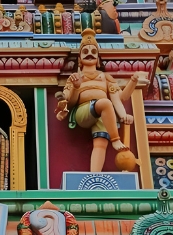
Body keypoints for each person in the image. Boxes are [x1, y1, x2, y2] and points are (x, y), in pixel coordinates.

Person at [58, 29, 140, 172]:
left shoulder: (105, 77)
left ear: (98, 58)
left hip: (103, 113)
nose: (89, 54)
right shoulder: (76, 77)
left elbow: (120, 98)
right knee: (104, 103)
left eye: (93, 52)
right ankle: (116, 139)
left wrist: (132, 82)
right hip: (83, 112)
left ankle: (95, 175)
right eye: (85, 51)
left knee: (100, 143)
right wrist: (75, 88)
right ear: (79, 58)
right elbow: (69, 102)